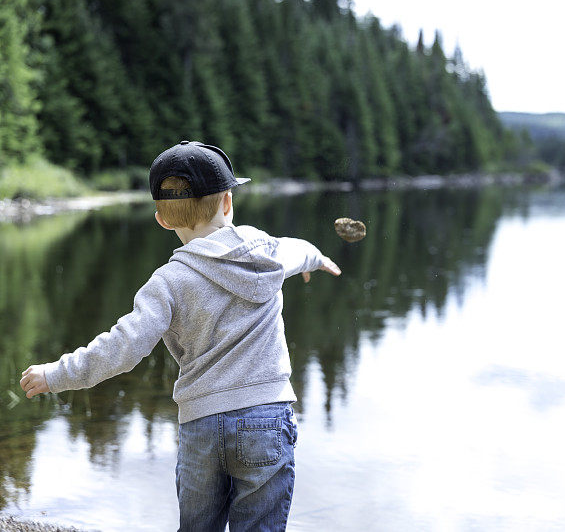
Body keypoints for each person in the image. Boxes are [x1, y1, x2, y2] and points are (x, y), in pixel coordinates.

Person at [18, 140, 341, 531]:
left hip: (201, 424)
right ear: (227, 202)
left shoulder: (168, 283)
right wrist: (317, 258)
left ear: (162, 219)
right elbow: (297, 248)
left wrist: (57, 374)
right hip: (266, 418)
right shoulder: (266, 252)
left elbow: (122, 346)